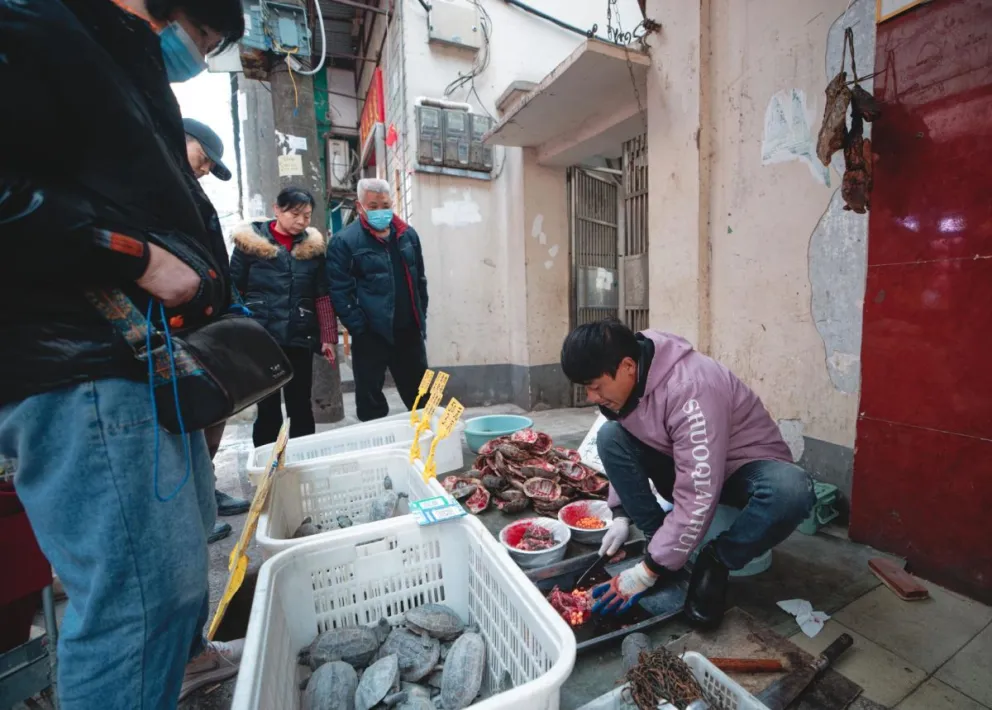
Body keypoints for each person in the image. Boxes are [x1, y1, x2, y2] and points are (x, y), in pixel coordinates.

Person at [0, 1, 248, 708]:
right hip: (79, 360)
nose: (195, 53)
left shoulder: (111, 52)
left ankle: (185, 664)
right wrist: (134, 257)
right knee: (134, 605)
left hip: (132, 359)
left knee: (165, 583)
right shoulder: (37, 25)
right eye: (202, 37)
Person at [560, 319, 815, 629]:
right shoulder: (633, 380)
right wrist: (622, 514)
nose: (591, 397)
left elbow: (699, 489)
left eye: (596, 387)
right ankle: (660, 541)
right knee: (610, 436)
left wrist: (647, 571)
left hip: (743, 469)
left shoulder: (690, 387)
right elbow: (649, 451)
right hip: (689, 466)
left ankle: (717, 560)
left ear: (627, 366)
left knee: (792, 489)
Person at [182, 117, 250, 542]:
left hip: (209, 319)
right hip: (183, 328)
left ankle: (205, 491)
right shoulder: (157, 184)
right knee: (194, 413)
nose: (205, 168)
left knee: (216, 410)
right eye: (204, 158)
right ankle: (195, 509)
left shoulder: (188, 190)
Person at [230, 187, 337, 447]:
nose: (301, 221)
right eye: (295, 214)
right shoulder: (251, 246)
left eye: (307, 216)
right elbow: (233, 290)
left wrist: (328, 337)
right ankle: (267, 463)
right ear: (276, 209)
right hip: (261, 338)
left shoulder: (313, 250)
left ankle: (304, 457)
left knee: (300, 404)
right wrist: (237, 333)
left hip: (299, 336)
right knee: (267, 408)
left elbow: (322, 295)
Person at [326, 178, 429, 421]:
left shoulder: (408, 236)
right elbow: (340, 291)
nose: (380, 211)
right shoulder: (344, 242)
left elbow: (420, 280)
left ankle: (427, 447)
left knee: (423, 398)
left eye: (385, 204)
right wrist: (360, 328)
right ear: (360, 206)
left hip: (408, 332)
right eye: (373, 206)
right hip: (371, 334)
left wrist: (420, 315)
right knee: (371, 402)